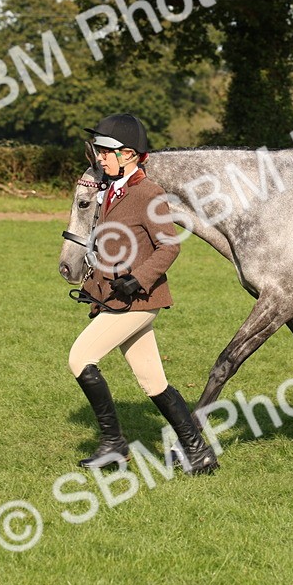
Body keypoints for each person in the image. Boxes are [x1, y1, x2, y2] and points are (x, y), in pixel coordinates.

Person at [67, 113, 218, 474]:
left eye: (107, 151)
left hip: (137, 300)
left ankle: (113, 444)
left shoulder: (148, 193)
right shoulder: (112, 191)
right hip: (115, 298)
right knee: (153, 381)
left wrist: (138, 279)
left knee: (80, 358)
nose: (100, 158)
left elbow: (169, 246)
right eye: (99, 151)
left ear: (130, 155)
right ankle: (199, 453)